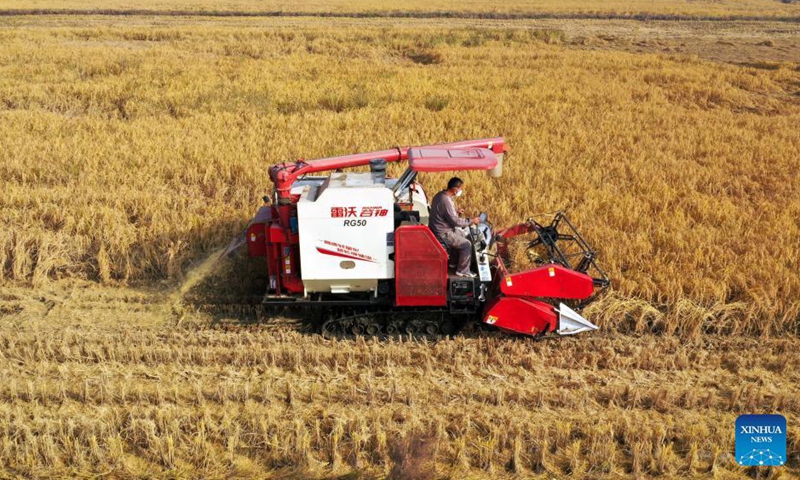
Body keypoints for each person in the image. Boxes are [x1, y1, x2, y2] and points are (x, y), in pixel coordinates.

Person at [428, 177, 480, 278]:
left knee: (462, 234)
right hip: (442, 233)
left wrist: (456, 212)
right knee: (466, 244)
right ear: (455, 189)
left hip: (438, 228)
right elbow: (456, 222)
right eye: (460, 189)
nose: (461, 191)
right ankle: (462, 271)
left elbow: (444, 214)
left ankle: (453, 263)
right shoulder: (446, 201)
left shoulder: (440, 195)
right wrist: (471, 221)